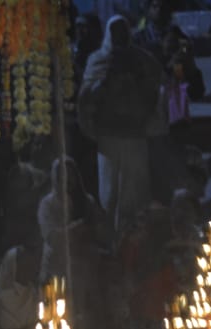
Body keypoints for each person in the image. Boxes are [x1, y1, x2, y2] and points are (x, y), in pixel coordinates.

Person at [77, 16, 164, 237]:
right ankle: (111, 240)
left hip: (135, 134)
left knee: (135, 193)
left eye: (123, 32)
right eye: (115, 32)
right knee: (109, 193)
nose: (120, 37)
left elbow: (155, 90)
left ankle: (135, 241)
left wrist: (135, 78)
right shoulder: (99, 61)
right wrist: (107, 80)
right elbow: (87, 98)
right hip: (109, 136)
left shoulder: (142, 60)